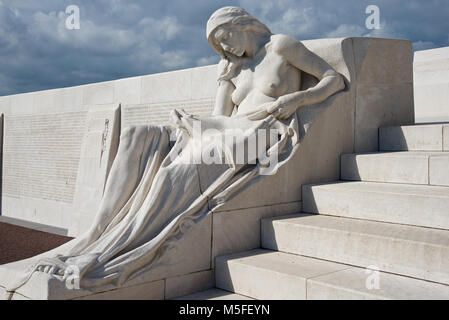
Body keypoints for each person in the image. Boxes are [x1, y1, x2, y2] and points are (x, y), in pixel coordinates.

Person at [3, 6, 344, 297]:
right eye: (217, 44)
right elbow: (219, 118)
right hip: (227, 131)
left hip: (260, 135)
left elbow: (334, 79)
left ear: (242, 24)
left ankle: (120, 247)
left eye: (224, 37)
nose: (223, 47)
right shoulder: (233, 69)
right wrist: (195, 117)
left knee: (172, 172)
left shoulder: (281, 46)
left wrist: (296, 100)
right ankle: (97, 233)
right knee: (138, 136)